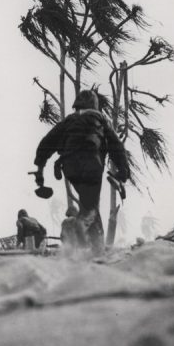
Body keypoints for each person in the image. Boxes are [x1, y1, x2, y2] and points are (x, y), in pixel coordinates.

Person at [31, 90, 129, 255]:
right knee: (90, 209)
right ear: (95, 105)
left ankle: (98, 251)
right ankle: (79, 226)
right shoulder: (100, 119)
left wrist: (40, 171)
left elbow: (45, 143)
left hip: (70, 168)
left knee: (90, 206)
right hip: (91, 165)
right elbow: (116, 147)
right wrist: (123, 173)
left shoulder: (69, 121)